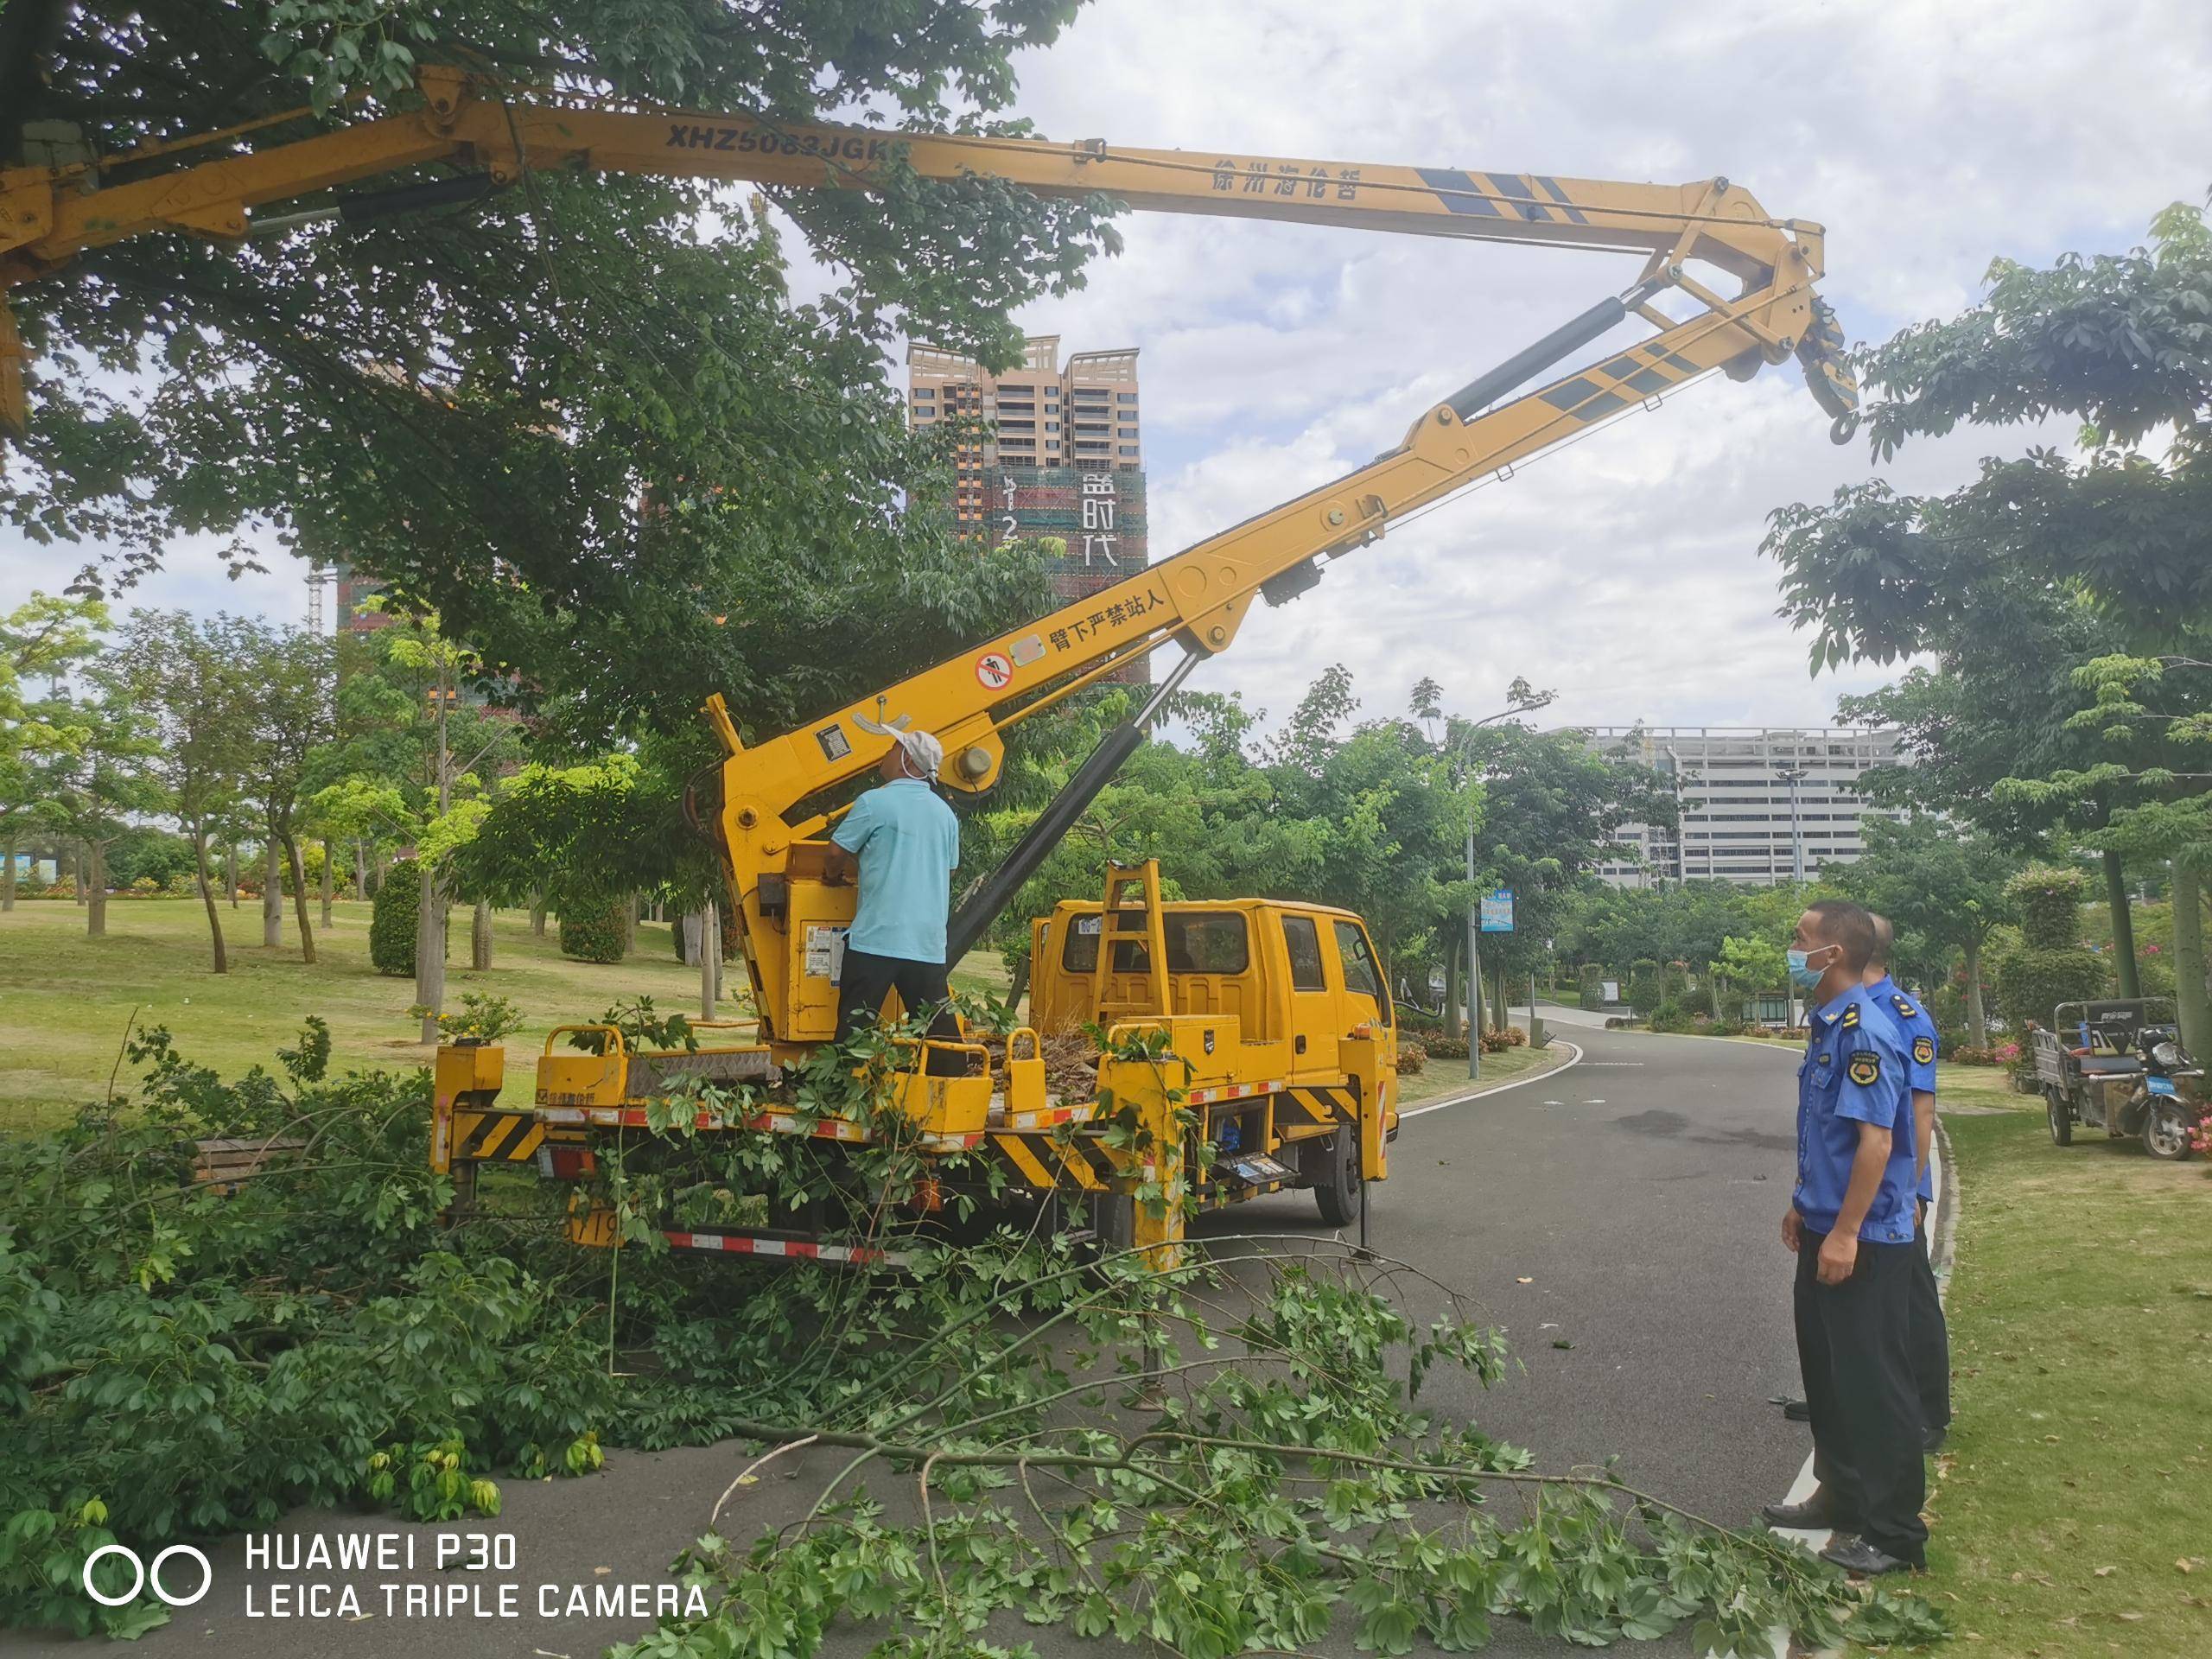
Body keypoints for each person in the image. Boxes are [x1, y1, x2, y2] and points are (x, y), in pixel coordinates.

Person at [1759, 899, 1927, 1575]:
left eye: (1801, 939)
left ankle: (1894, 1534)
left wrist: (1847, 1232)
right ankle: (1843, 1496)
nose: (1793, 947)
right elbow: (1825, 1135)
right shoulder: (1828, 1025)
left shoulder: (1864, 1031)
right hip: (1827, 1226)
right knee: (1827, 1378)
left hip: (1864, 1240)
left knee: (1873, 1384)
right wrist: (1806, 1207)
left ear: (1833, 955)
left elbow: (1876, 1144)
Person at [1866, 913, 1950, 1452]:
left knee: (1912, 1298)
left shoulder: (1903, 1016)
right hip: (1862, 1185)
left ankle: (1927, 1412)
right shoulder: (1850, 1012)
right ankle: (1859, 1391)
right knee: (1862, 1302)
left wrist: (1912, 1190)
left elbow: (1921, 1115)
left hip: (1897, 1189)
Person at [826, 718, 963, 1045]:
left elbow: (834, 853)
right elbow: (949, 870)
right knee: (937, 1034)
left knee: (854, 1033)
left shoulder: (875, 802)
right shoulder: (945, 815)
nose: (886, 754)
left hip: (877, 938)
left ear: (909, 762)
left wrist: (833, 877)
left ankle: (843, 1092)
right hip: (926, 944)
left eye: (893, 748)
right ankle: (951, 1086)